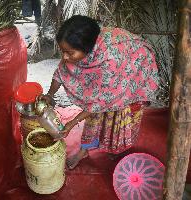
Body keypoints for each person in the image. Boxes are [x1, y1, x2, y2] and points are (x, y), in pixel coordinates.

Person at [40, 15, 159, 170]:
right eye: (63, 51)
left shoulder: (110, 60)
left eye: (69, 52)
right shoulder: (78, 48)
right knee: (96, 112)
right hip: (110, 72)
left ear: (88, 48)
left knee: (120, 114)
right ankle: (84, 150)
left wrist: (71, 122)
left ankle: (119, 148)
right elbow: (61, 72)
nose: (64, 57)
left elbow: (98, 104)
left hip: (135, 68)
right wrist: (49, 94)